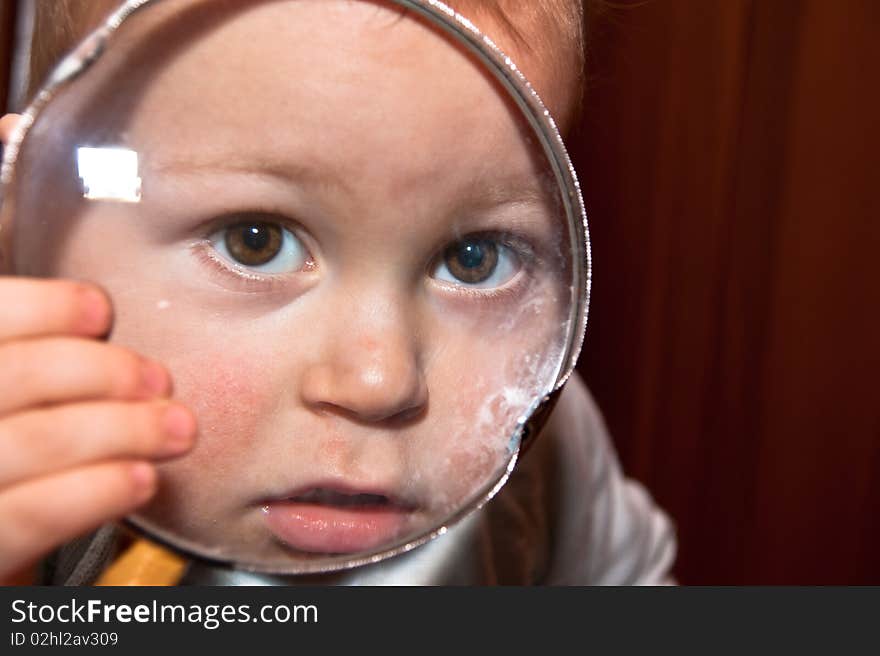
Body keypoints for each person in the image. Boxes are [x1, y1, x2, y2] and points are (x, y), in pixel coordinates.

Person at [0, 0, 676, 585]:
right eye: (255, 240)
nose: (379, 381)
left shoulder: (541, 440)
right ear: (31, 225)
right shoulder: (34, 484)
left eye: (475, 259)